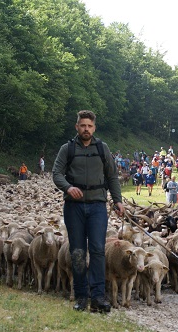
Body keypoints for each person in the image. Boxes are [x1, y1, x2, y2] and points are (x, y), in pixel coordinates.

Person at [52, 109, 124, 313]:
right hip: (74, 206)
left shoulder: (102, 148)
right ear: (77, 127)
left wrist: (117, 200)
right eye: (82, 125)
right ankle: (81, 296)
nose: (86, 129)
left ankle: (99, 297)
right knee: (77, 251)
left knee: (98, 250)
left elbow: (112, 177)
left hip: (97, 206)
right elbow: (56, 173)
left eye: (89, 126)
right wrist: (68, 187)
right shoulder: (67, 149)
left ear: (94, 128)